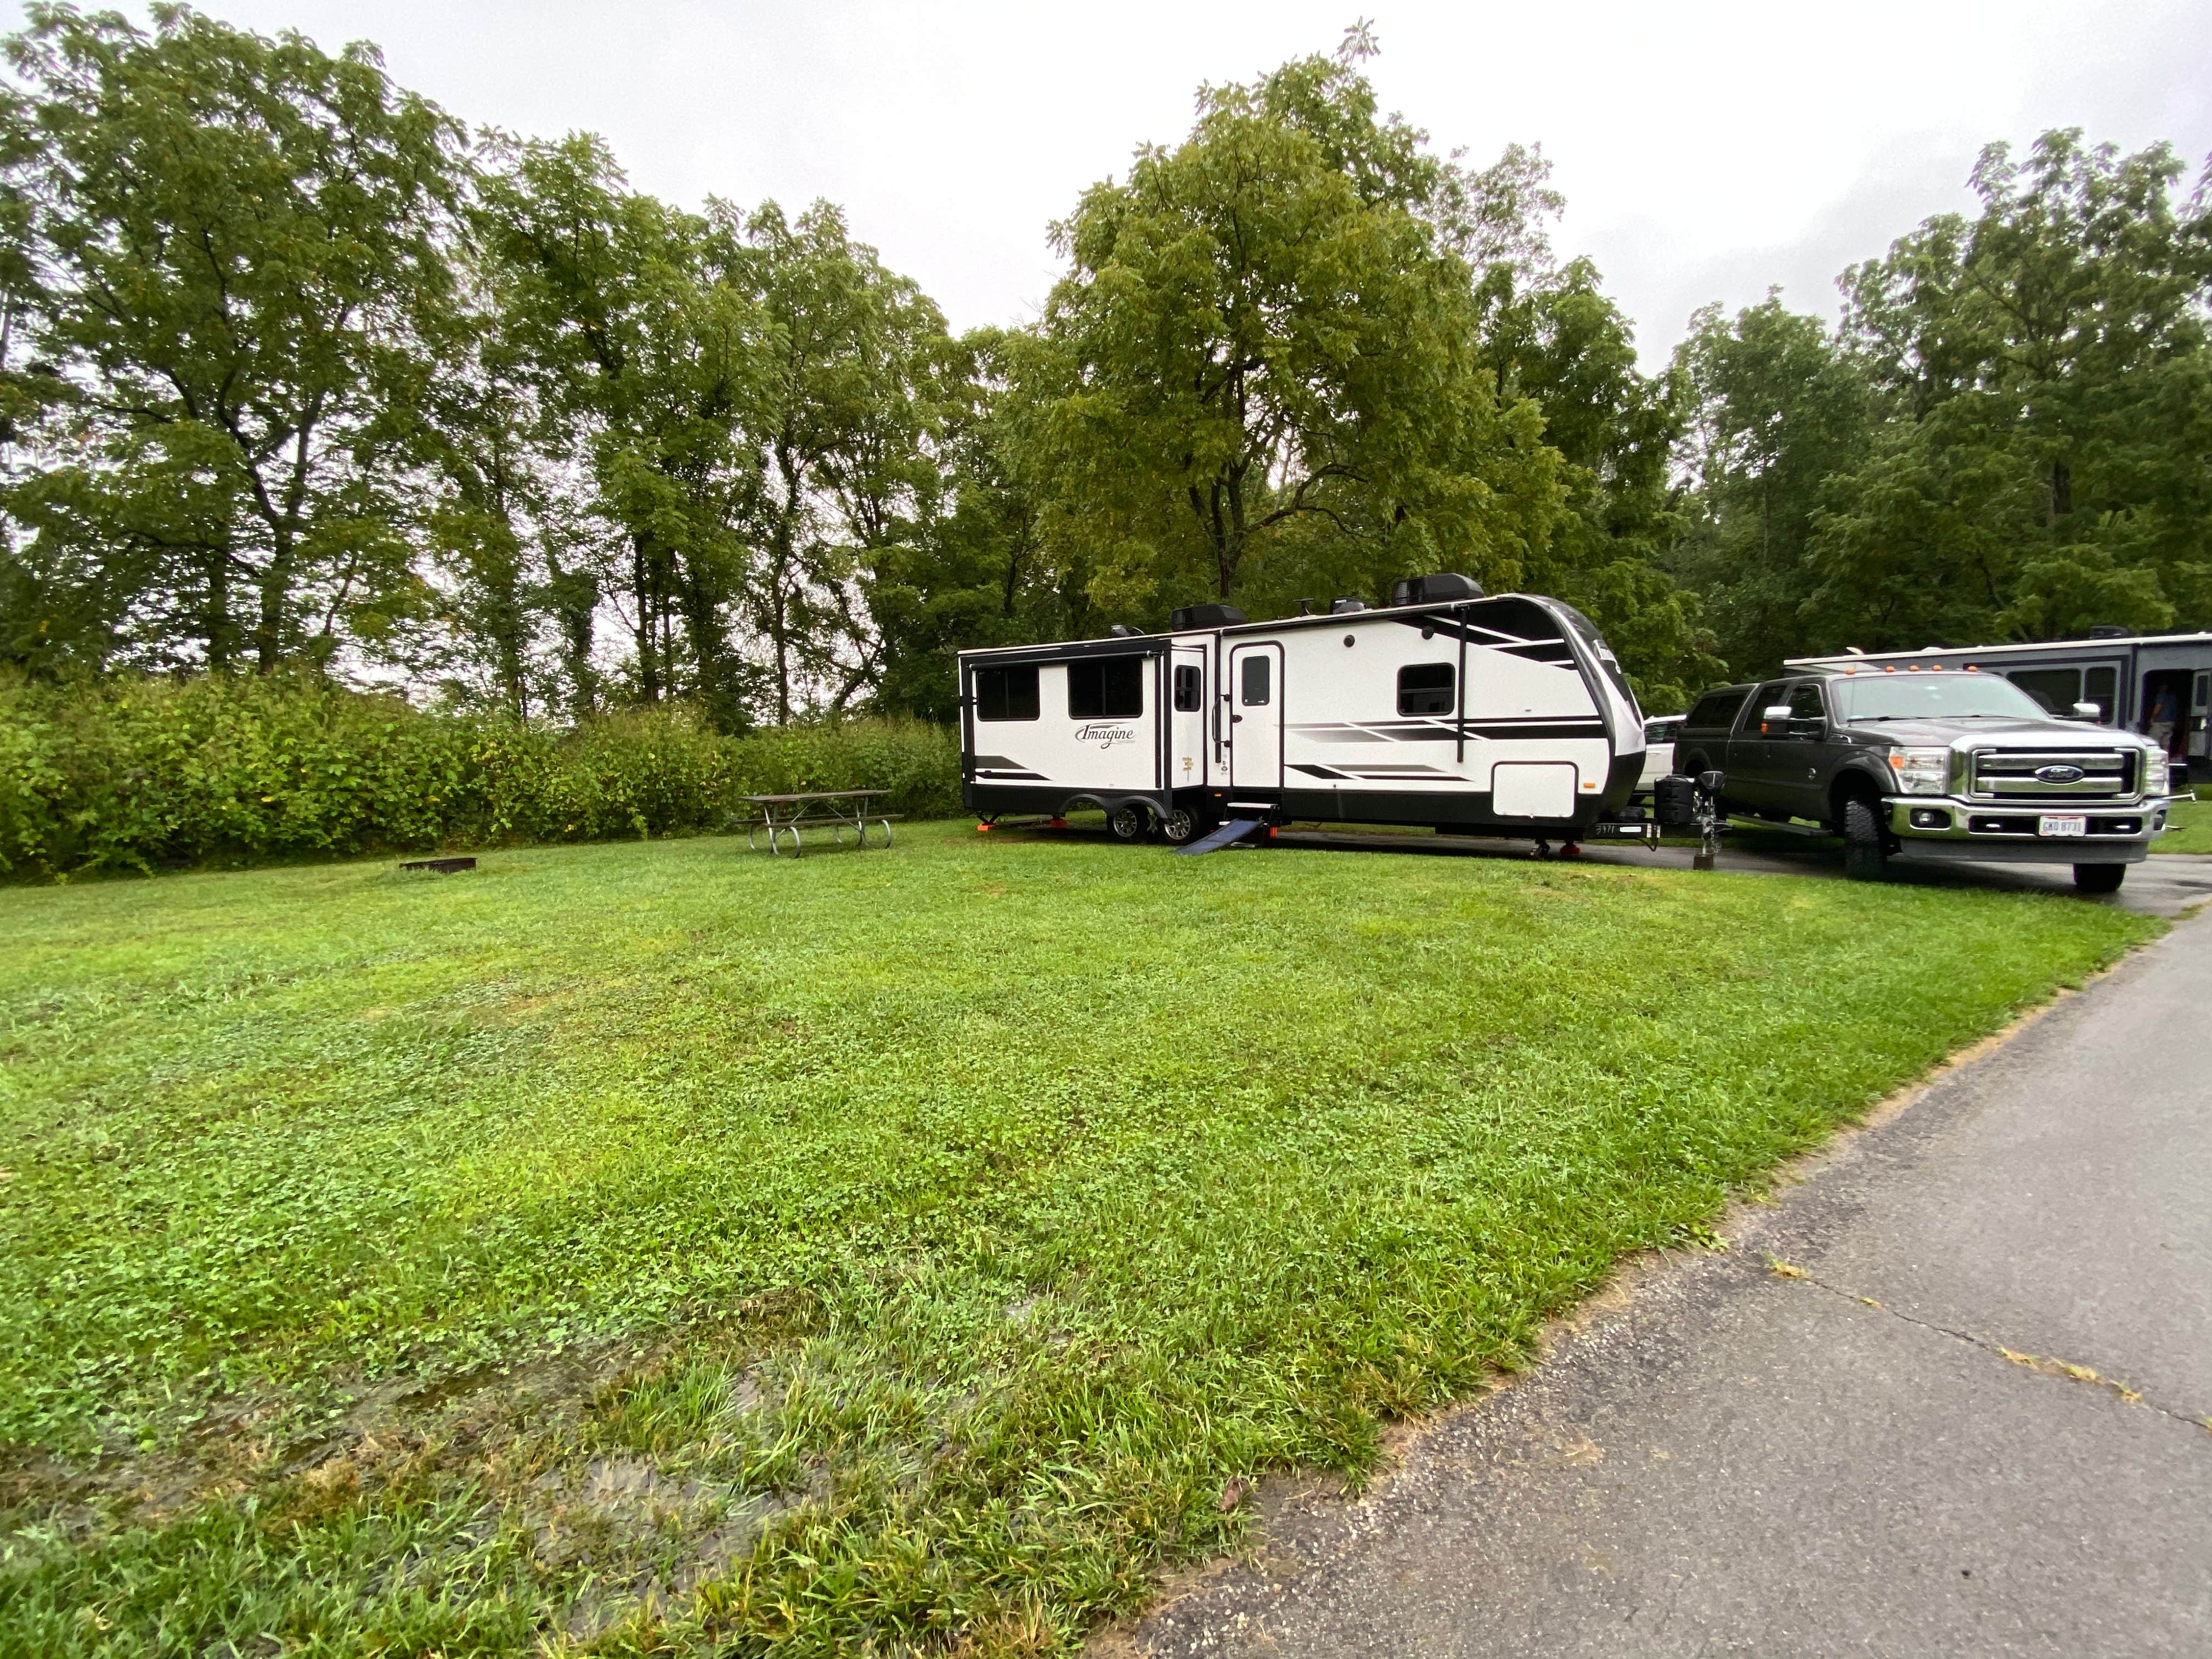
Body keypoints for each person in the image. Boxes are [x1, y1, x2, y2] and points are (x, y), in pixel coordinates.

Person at [2148, 684, 2180, 757]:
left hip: (2160, 722)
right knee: (2166, 743)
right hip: (2170, 722)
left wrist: (2152, 718)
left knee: (2153, 741)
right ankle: (2164, 759)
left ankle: (2153, 758)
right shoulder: (2173, 697)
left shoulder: (2161, 696)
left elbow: (2158, 706)